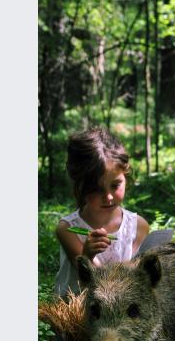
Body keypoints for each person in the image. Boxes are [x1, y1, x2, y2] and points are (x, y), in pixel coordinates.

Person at [55, 127, 149, 298]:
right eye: (96, 189)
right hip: (77, 309)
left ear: (126, 176)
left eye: (115, 185)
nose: (108, 197)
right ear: (80, 186)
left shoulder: (138, 226)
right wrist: (87, 255)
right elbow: (95, 280)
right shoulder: (68, 229)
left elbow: (133, 278)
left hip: (117, 313)